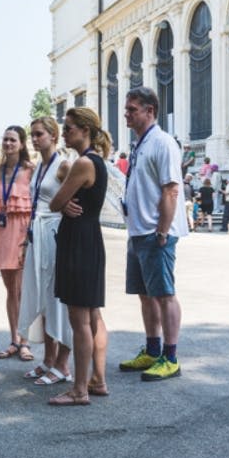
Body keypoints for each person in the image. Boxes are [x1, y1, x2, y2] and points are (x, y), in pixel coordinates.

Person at [119, 86, 188, 382]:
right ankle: (152, 349)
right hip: (139, 231)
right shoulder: (140, 144)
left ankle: (170, 358)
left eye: (132, 109)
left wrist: (162, 231)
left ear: (150, 111)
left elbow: (171, 189)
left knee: (164, 294)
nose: (126, 113)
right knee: (145, 295)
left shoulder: (162, 143)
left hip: (155, 232)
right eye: (127, 108)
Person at [47, 107, 110, 406]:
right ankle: (97, 381)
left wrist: (64, 201)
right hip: (89, 239)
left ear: (85, 130)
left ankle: (79, 389)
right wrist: (66, 201)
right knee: (92, 315)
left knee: (80, 319)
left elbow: (55, 201)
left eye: (70, 127)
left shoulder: (83, 163)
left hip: (79, 242)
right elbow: (62, 200)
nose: (66, 131)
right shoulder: (93, 161)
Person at [17, 116, 73, 386]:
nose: (34, 138)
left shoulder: (63, 166)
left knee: (57, 299)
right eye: (32, 135)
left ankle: (63, 364)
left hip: (53, 235)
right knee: (42, 298)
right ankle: (48, 359)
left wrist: (66, 208)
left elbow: (74, 198)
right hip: (36, 235)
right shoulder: (40, 166)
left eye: (39, 134)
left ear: (53, 135)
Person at [0, 126, 35, 362]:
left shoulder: (31, 170)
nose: (8, 144)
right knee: (10, 290)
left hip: (24, 230)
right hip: (3, 232)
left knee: (22, 289)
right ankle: (14, 339)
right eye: (5, 139)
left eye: (13, 140)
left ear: (22, 144)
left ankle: (25, 341)